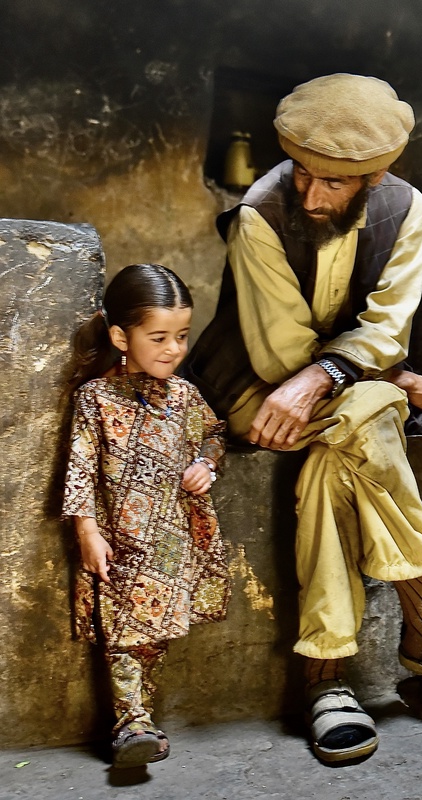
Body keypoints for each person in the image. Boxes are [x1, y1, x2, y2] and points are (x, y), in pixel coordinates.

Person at [184, 73, 422, 764]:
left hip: (331, 402)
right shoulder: (259, 215)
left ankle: (325, 676)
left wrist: (352, 373)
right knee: (373, 408)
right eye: (303, 173)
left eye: (335, 183)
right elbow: (283, 356)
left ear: (375, 177)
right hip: (255, 392)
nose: (312, 196)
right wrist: (397, 378)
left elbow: (387, 328)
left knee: (340, 449)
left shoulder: (407, 211)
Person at [63, 264, 230, 769]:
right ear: (121, 337)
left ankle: (142, 718)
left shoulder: (184, 395)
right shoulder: (95, 399)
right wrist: (87, 532)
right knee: (122, 633)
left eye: (182, 336)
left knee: (153, 634)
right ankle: (130, 722)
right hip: (120, 539)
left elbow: (215, 433)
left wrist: (206, 464)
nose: (173, 349)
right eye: (158, 337)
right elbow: (80, 469)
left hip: (171, 541)